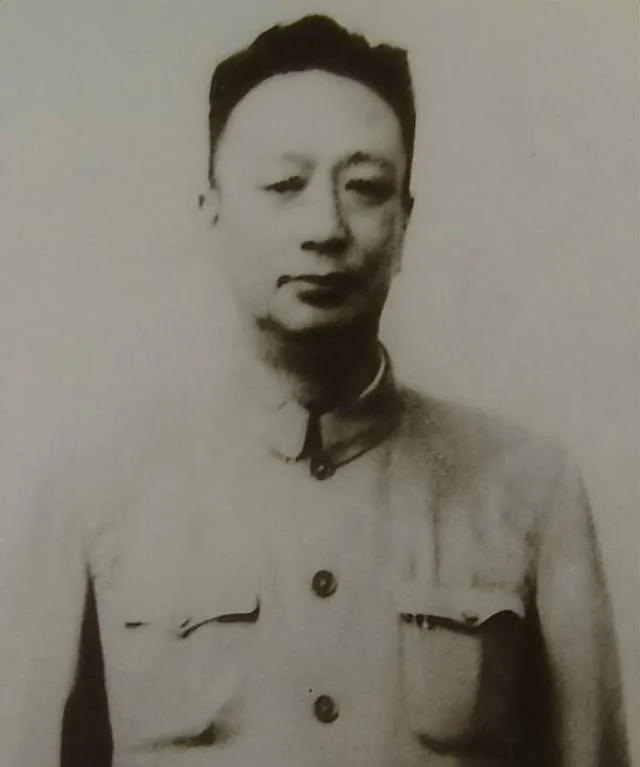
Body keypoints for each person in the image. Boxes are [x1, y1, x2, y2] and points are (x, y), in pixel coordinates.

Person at [2, 14, 629, 767]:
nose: (326, 227)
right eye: (283, 185)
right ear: (213, 215)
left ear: (404, 224)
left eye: (365, 188)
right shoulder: (95, 489)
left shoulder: (531, 489)